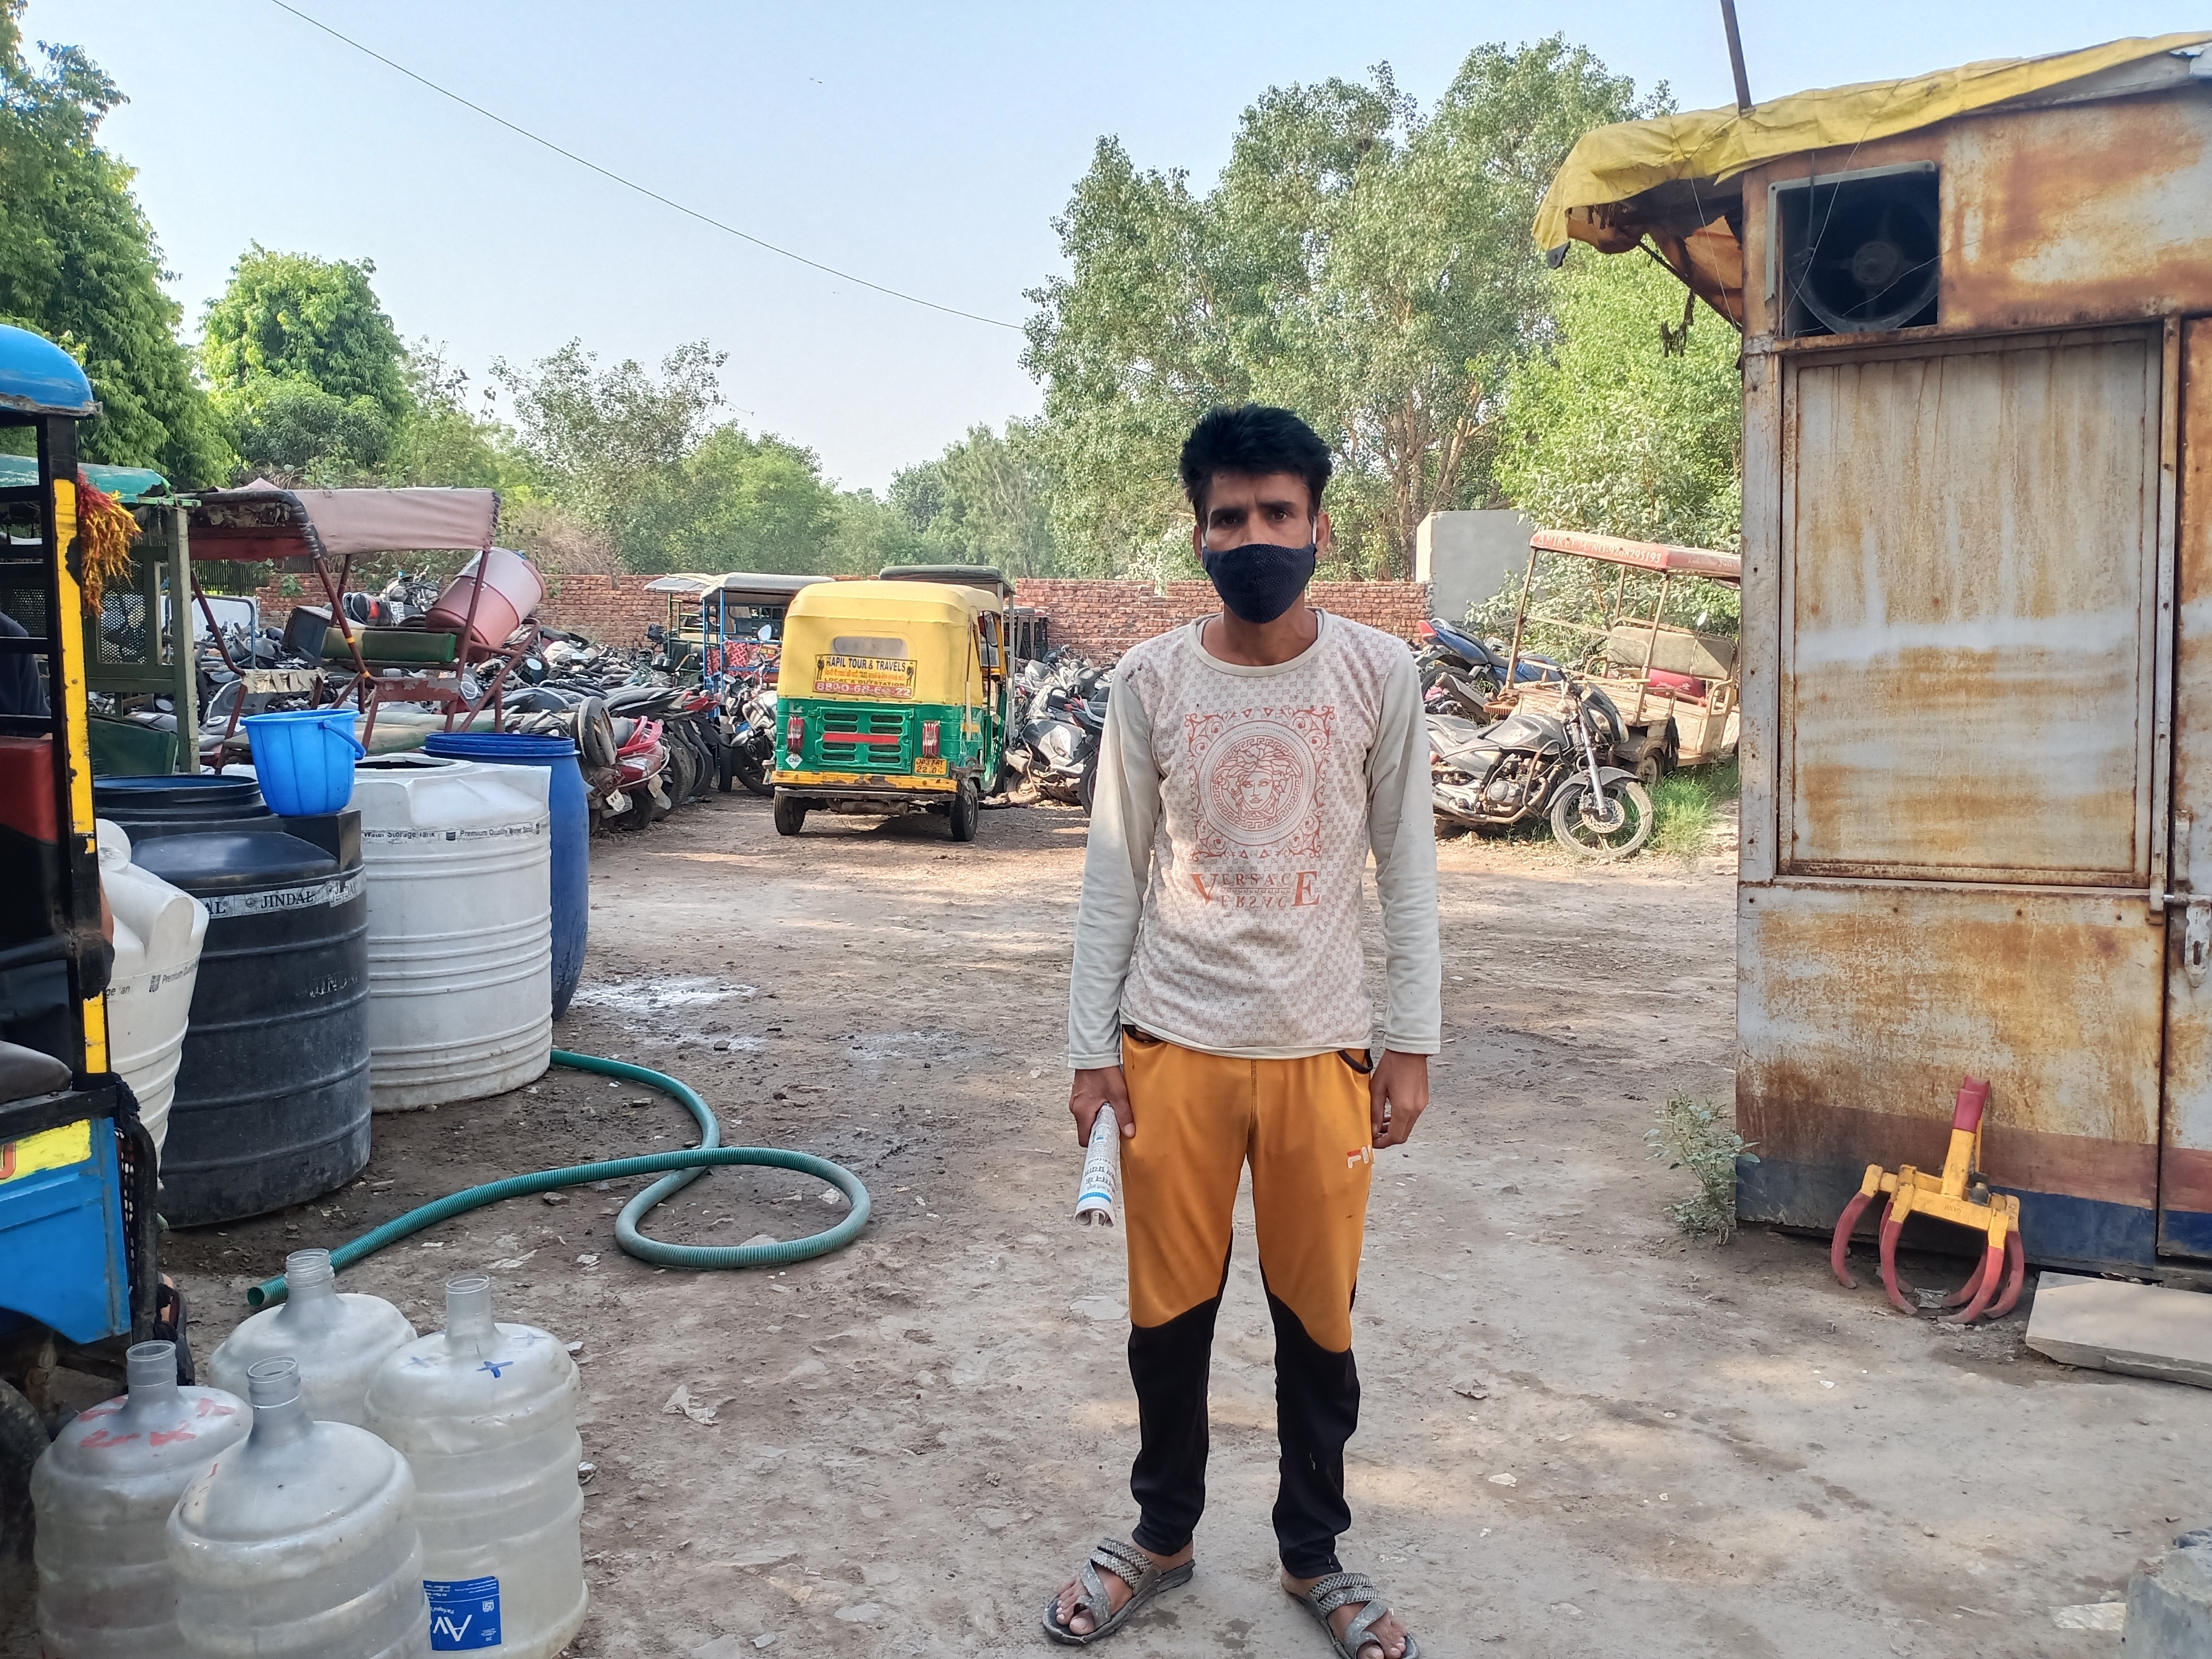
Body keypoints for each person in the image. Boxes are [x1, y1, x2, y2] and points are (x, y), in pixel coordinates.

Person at [1046, 405, 1438, 1659]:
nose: (1254, 536)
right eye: (1229, 517)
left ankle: (1313, 1555)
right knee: (1169, 1317)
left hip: (1324, 1049)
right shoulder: (1151, 680)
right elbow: (1115, 870)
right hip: (1171, 1045)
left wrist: (1412, 1040)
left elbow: (1408, 870)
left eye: (1278, 514)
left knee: (1318, 1323)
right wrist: (1089, 1046)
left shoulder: (1380, 674)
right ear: (1198, 534)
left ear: (1320, 527)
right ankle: (1159, 1536)